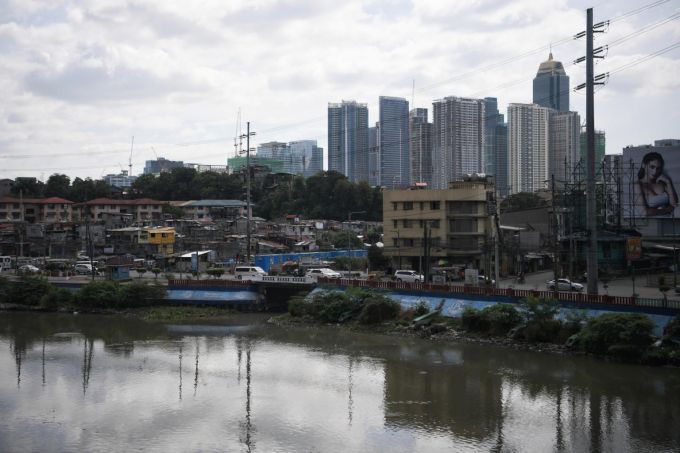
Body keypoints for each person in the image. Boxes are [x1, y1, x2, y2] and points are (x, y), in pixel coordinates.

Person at [638, 152, 678, 216]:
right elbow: (644, 212)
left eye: (658, 168)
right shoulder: (638, 185)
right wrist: (668, 209)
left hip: (669, 222)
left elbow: (674, 204)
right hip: (652, 224)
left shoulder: (662, 182)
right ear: (643, 165)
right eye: (652, 167)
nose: (655, 171)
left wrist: (668, 182)